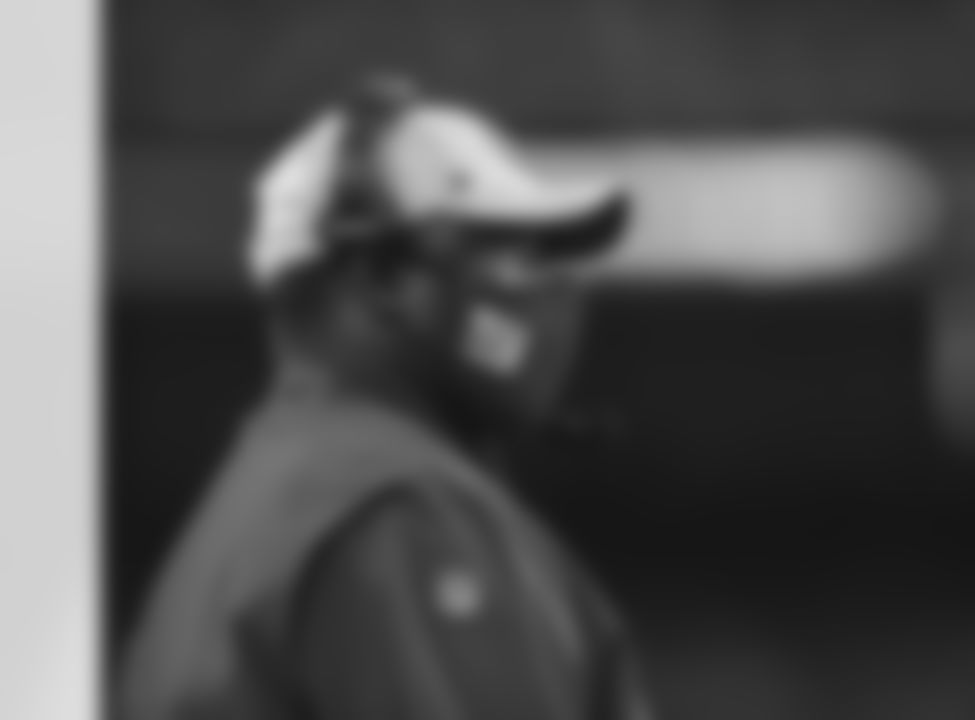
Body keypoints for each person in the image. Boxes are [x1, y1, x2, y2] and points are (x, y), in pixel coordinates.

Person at [114, 73, 652, 720]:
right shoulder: (403, 510)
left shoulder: (266, 503)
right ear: (382, 276)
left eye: (544, 257)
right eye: (505, 253)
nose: (545, 290)